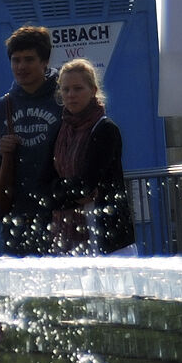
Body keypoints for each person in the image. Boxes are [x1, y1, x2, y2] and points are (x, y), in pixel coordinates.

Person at [0, 24, 65, 255]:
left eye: (29, 59)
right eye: (16, 60)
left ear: (44, 62)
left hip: (59, 214)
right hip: (16, 220)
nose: (21, 66)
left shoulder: (63, 100)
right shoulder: (2, 106)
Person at [45, 59, 131, 254]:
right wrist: (67, 195)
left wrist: (61, 193)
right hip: (66, 231)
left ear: (93, 90)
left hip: (107, 232)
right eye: (66, 89)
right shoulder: (59, 131)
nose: (71, 95)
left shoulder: (105, 129)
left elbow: (86, 184)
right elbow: (45, 182)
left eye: (78, 88)